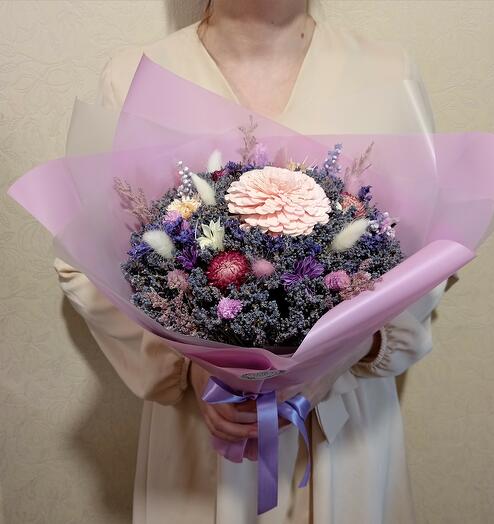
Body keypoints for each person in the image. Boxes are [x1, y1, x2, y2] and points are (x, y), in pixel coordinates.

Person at [54, 1, 449, 522]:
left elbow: (429, 251)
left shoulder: (387, 72)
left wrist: (351, 349)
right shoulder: (135, 76)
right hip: (202, 433)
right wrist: (188, 370)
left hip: (341, 427)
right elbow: (88, 264)